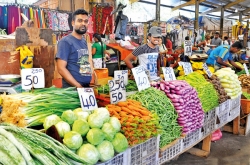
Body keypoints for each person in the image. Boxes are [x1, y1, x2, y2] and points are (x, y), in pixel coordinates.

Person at [56, 9, 93, 88]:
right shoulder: (65, 42)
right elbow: (61, 68)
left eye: (86, 21)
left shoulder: (83, 41)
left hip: (85, 87)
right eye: (80, 21)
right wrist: (78, 86)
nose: (83, 23)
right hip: (72, 90)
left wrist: (90, 76)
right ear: (73, 23)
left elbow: (84, 62)